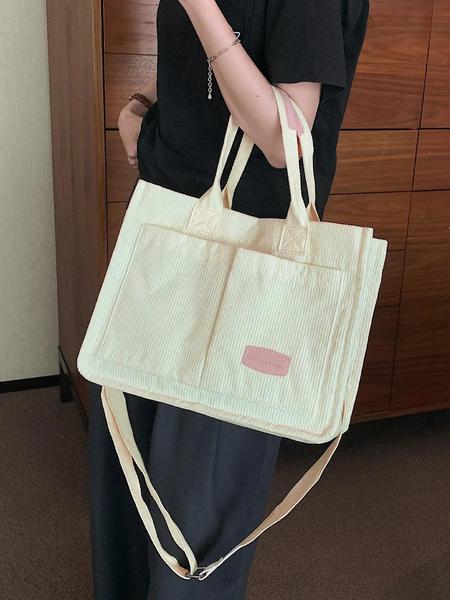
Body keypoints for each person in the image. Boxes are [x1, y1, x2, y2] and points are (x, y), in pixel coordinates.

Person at [88, 0, 370, 598]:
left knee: (197, 512)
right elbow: (210, 69)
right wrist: (141, 113)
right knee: (125, 480)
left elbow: (285, 136)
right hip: (166, 232)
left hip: (249, 265)